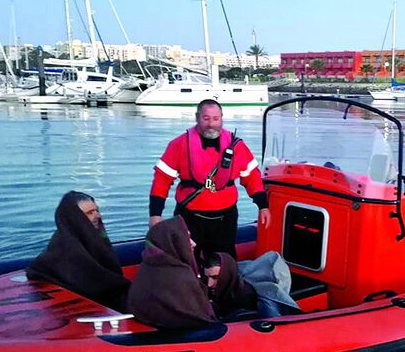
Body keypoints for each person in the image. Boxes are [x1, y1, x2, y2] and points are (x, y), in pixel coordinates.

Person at [149, 99, 270, 259]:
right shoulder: (179, 145)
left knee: (224, 262)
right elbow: (161, 180)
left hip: (225, 219)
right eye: (206, 118)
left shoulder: (237, 146)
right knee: (187, 262)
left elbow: (252, 177)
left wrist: (263, 206)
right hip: (189, 217)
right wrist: (155, 214)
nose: (211, 124)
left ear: (222, 118)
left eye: (215, 118)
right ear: (197, 117)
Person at [127, 216, 258, 329]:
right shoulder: (180, 277)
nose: (194, 243)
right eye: (187, 238)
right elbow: (201, 319)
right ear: (174, 241)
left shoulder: (147, 271)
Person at [27, 191, 130, 312]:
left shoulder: (94, 242)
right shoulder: (67, 250)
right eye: (90, 213)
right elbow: (95, 284)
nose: (97, 216)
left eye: (96, 210)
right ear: (76, 218)